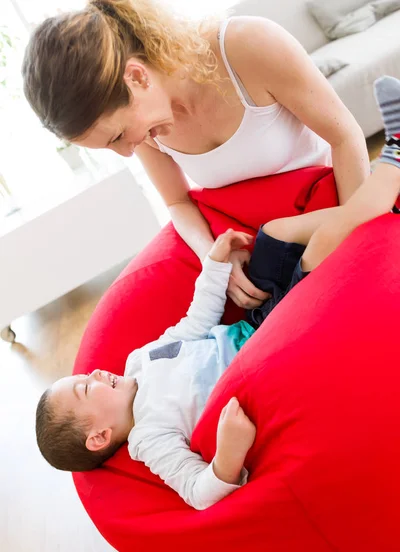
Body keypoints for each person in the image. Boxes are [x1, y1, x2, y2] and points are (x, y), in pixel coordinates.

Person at [35, 75, 400, 510]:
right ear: (99, 436)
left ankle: (378, 211)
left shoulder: (139, 362)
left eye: (83, 377)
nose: (94, 374)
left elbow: (197, 321)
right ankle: (393, 160)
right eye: (84, 390)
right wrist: (227, 455)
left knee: (277, 233)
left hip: (256, 320)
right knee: (321, 248)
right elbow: (198, 494)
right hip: (274, 353)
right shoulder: (151, 439)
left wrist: (214, 264)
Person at [22, 0, 370, 311]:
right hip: (249, 240)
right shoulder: (145, 126)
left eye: (117, 137)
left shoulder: (248, 45)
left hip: (320, 211)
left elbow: (346, 137)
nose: (127, 152)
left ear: (137, 77)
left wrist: (347, 239)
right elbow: (177, 203)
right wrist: (214, 263)